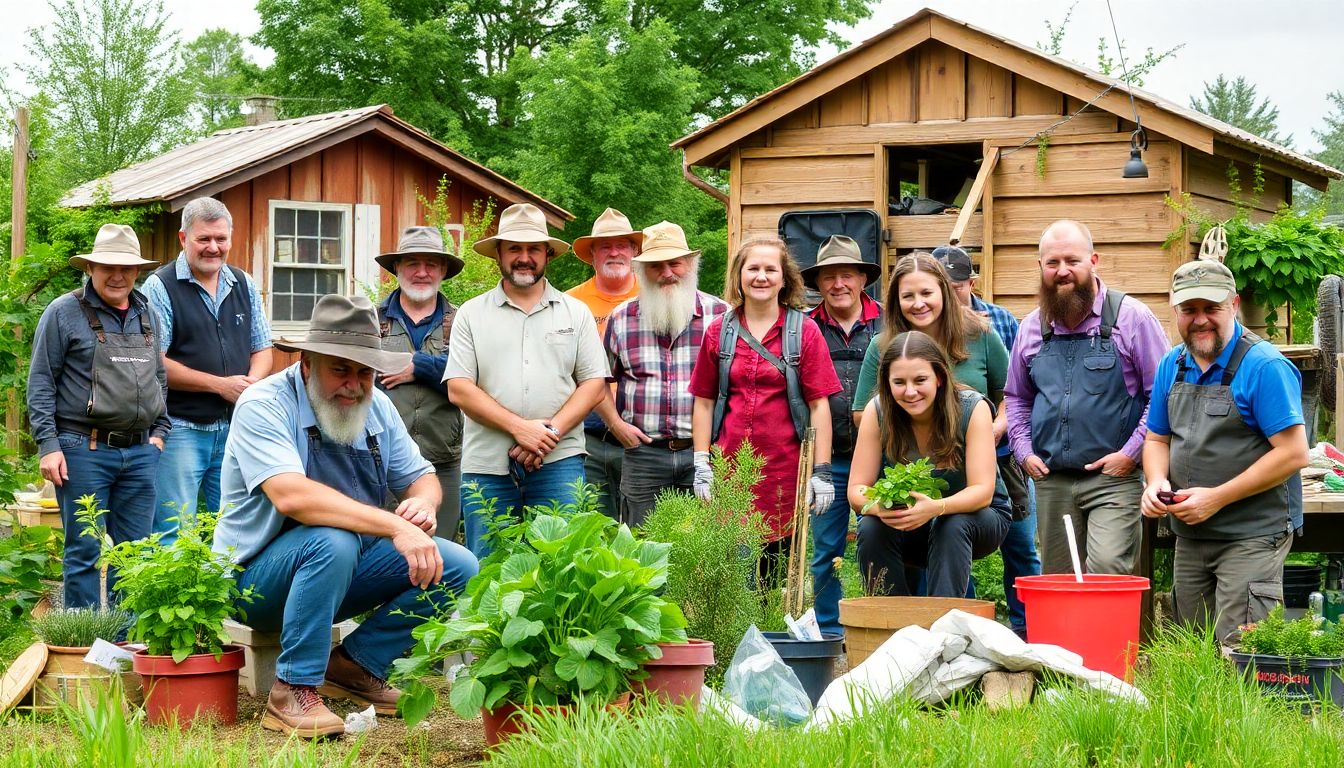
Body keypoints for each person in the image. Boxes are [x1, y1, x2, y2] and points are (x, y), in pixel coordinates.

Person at [213, 294, 478, 739]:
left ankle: (355, 665)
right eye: (341, 369)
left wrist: (424, 503)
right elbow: (292, 497)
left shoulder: (376, 407)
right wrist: (397, 525)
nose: (354, 385)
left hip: (338, 572)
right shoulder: (264, 404)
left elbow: (423, 476)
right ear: (307, 363)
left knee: (458, 565)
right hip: (254, 583)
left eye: (364, 372)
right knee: (332, 539)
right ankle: (292, 689)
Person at [1141, 260, 1307, 644]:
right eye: (1189, 310)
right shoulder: (1173, 364)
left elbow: (1293, 453)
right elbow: (1156, 439)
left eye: (1211, 308)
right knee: (1191, 646)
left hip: (1252, 533)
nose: (1200, 320)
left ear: (1233, 305)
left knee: (1241, 647)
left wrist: (1217, 498)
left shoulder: (1264, 366)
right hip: (1192, 531)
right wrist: (1156, 481)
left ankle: (1253, 707)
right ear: (1175, 310)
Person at [1004, 219, 1169, 576]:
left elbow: (1162, 395)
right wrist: (1024, 451)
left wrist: (1130, 454)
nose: (1062, 271)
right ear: (1041, 267)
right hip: (1052, 481)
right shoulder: (1031, 327)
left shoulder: (1132, 318)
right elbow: (1017, 397)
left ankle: (1114, 636)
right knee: (1058, 580)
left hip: (1113, 478)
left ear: (1093, 261)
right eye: (1053, 263)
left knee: (1108, 569)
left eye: (1072, 261)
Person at [445, 203, 608, 557]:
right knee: (488, 574)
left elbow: (594, 384)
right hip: (487, 466)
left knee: (564, 570)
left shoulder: (575, 313)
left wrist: (546, 435)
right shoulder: (470, 315)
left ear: (547, 253)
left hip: (559, 462)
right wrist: (521, 429)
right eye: (514, 248)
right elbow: (459, 388)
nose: (524, 257)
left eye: (533, 248)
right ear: (499, 254)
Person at [28, 223, 170, 609]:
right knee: (84, 553)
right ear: (90, 268)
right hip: (82, 450)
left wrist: (160, 432)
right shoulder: (63, 312)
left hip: (141, 452)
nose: (118, 275)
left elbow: (158, 375)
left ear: (138, 271)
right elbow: (41, 381)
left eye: (126, 267)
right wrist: (48, 445)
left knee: (134, 557)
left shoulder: (148, 313)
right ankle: (85, 647)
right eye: (108, 266)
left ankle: (124, 651)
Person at [688, 236, 841, 583]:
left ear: (784, 278)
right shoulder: (719, 332)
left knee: (778, 583)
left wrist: (823, 471)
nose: (761, 276)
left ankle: (775, 637)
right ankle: (736, 640)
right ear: (739, 276)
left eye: (770, 269)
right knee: (734, 580)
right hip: (731, 475)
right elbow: (704, 400)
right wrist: (701, 464)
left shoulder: (805, 332)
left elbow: (819, 405)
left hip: (785, 477)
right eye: (752, 268)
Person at [142, 198, 272, 542]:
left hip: (237, 428)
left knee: (232, 528)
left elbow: (263, 347)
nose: (213, 248)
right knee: (174, 528)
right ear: (183, 238)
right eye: (204, 239)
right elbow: (153, 362)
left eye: (221, 239)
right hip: (181, 428)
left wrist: (251, 385)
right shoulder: (161, 286)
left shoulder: (242, 283)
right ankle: (172, 597)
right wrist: (219, 385)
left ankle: (222, 596)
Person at [848, 331, 1011, 596]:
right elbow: (857, 489)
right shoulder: (876, 411)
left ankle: (943, 626)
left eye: (920, 380)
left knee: (951, 524)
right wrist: (882, 508)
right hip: (909, 521)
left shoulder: (972, 408)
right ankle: (891, 622)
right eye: (899, 382)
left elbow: (983, 491)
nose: (910, 391)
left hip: (978, 520)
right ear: (887, 383)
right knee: (870, 525)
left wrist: (937, 507)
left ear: (939, 377)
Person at [933, 244, 1041, 639]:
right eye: (939, 287)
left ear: (971, 284)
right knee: (952, 544)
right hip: (947, 461)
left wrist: (995, 427)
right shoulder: (921, 324)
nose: (947, 296)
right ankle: (973, 629)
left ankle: (1030, 631)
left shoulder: (999, 322)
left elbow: (1015, 390)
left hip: (1003, 456)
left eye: (955, 287)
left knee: (1020, 544)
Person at [603, 221, 728, 527]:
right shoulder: (621, 318)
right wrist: (616, 424)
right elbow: (597, 382)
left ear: (691, 264)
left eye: (675, 263)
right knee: (642, 554)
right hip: (643, 456)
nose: (667, 272)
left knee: (703, 551)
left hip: (706, 455)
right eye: (655, 265)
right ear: (641, 270)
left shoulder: (722, 316)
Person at [801, 235, 882, 637]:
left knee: (883, 543)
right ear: (818, 283)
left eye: (846, 275)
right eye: (829, 277)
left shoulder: (889, 322)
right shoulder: (804, 327)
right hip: (826, 460)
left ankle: (883, 625)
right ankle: (832, 633)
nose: (838, 284)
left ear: (862, 278)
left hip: (883, 459)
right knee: (825, 551)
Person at [375, 226, 467, 539]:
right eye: (413, 262)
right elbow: (356, 375)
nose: (422, 272)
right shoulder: (371, 322)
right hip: (383, 466)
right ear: (397, 268)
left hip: (445, 464)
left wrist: (420, 366)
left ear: (443, 270)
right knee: (385, 556)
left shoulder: (463, 322)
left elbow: (472, 380)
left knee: (445, 558)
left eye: (431, 264)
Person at [853, 252, 1008, 433]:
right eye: (908, 296)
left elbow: (1012, 396)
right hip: (906, 456)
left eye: (926, 293)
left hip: (975, 449)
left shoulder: (981, 334)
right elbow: (860, 415)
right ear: (897, 300)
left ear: (943, 291)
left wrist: (996, 427)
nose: (918, 304)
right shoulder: (881, 346)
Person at [567, 208, 643, 519]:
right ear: (592, 254)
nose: (614, 252)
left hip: (643, 438)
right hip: (587, 436)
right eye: (605, 246)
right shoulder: (570, 302)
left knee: (642, 530)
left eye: (622, 244)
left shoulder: (654, 295)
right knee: (593, 526)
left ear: (635, 251)